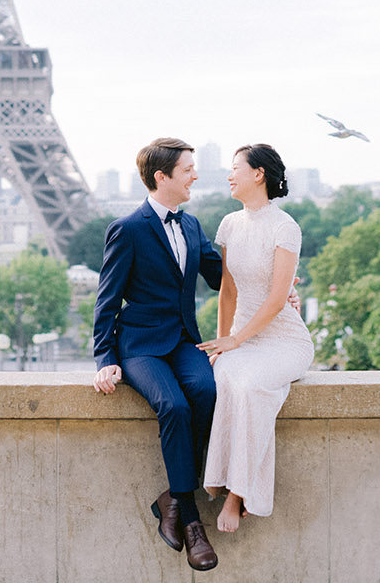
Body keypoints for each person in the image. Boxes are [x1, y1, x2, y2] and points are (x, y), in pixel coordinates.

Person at [93, 138, 223, 571]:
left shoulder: (191, 226)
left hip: (184, 339)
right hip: (140, 346)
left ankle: (171, 496)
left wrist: (280, 290)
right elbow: (107, 302)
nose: (195, 175)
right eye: (188, 169)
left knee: (206, 391)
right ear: (161, 177)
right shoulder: (127, 228)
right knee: (173, 405)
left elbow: (223, 278)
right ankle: (191, 522)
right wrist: (104, 360)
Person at [198, 143, 314, 532]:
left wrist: (236, 339)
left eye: (235, 169)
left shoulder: (285, 227)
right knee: (224, 377)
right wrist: (222, 342)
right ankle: (224, 480)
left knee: (249, 387)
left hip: (284, 340)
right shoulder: (229, 224)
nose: (229, 176)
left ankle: (236, 494)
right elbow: (227, 292)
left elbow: (279, 298)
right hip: (242, 338)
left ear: (258, 174)